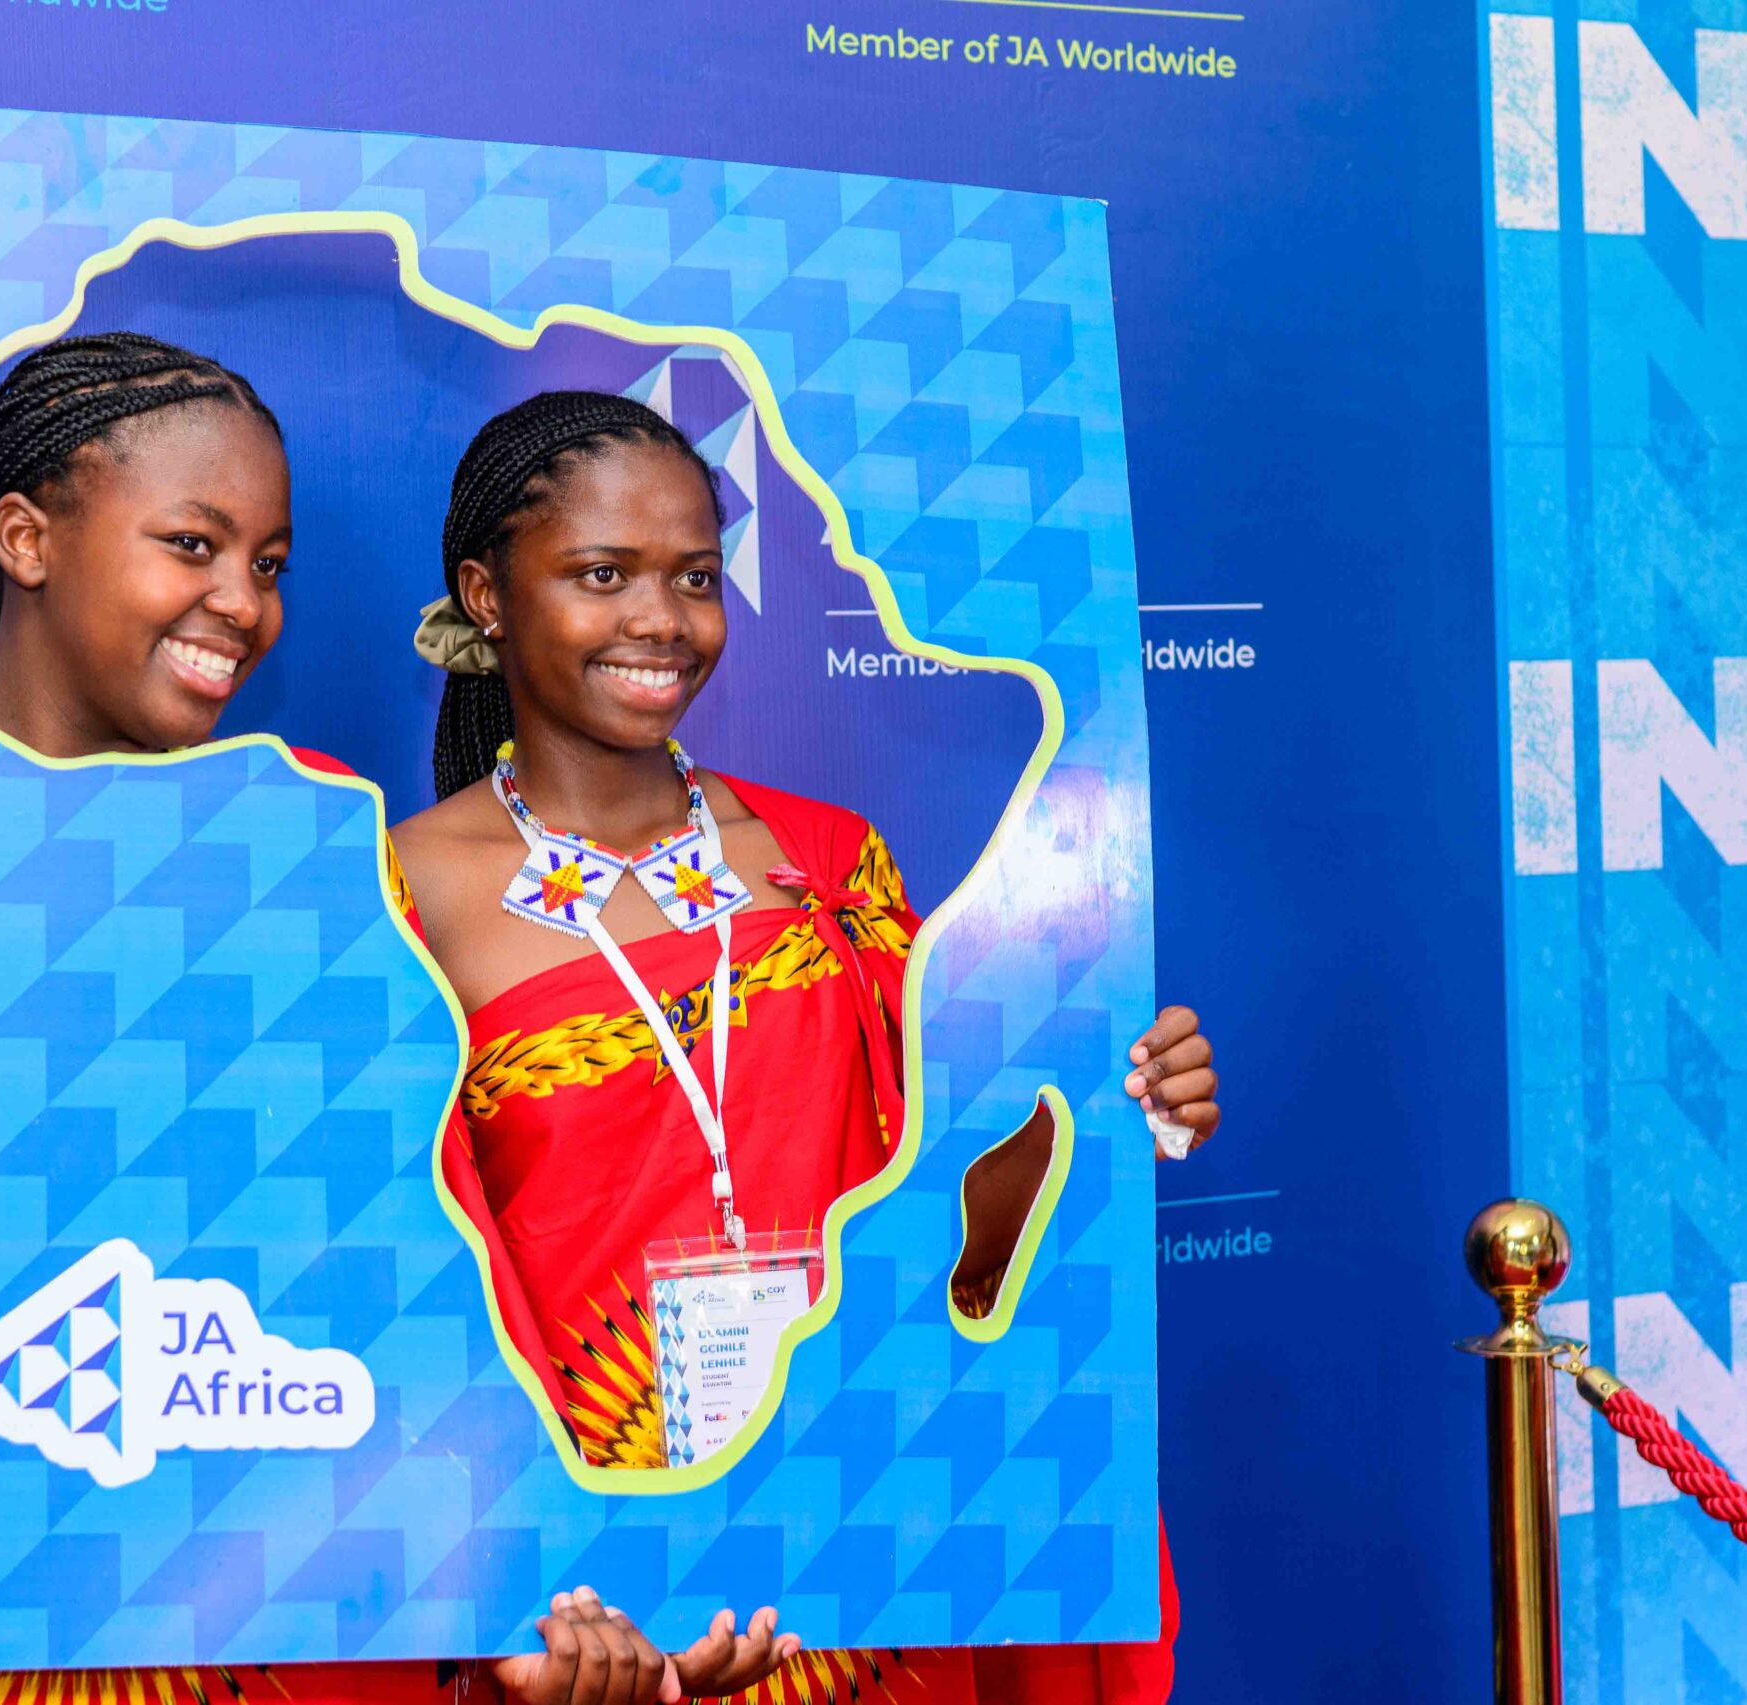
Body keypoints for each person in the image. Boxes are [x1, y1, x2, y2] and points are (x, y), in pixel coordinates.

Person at [0, 335, 755, 1705]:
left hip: (243, 1559)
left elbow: (407, 1264)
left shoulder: (309, 834)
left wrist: (510, 1592)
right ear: (26, 538)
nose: (244, 603)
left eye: (269, 564)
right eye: (194, 545)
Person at [389, 390, 1217, 1703]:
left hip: (860, 1539)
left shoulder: (825, 859)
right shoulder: (397, 898)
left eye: (694, 576)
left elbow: (953, 1196)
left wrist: (1111, 1107)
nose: (662, 619)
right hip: (583, 1590)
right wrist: (530, 1611)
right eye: (602, 575)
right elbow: (406, 1300)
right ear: (487, 595)